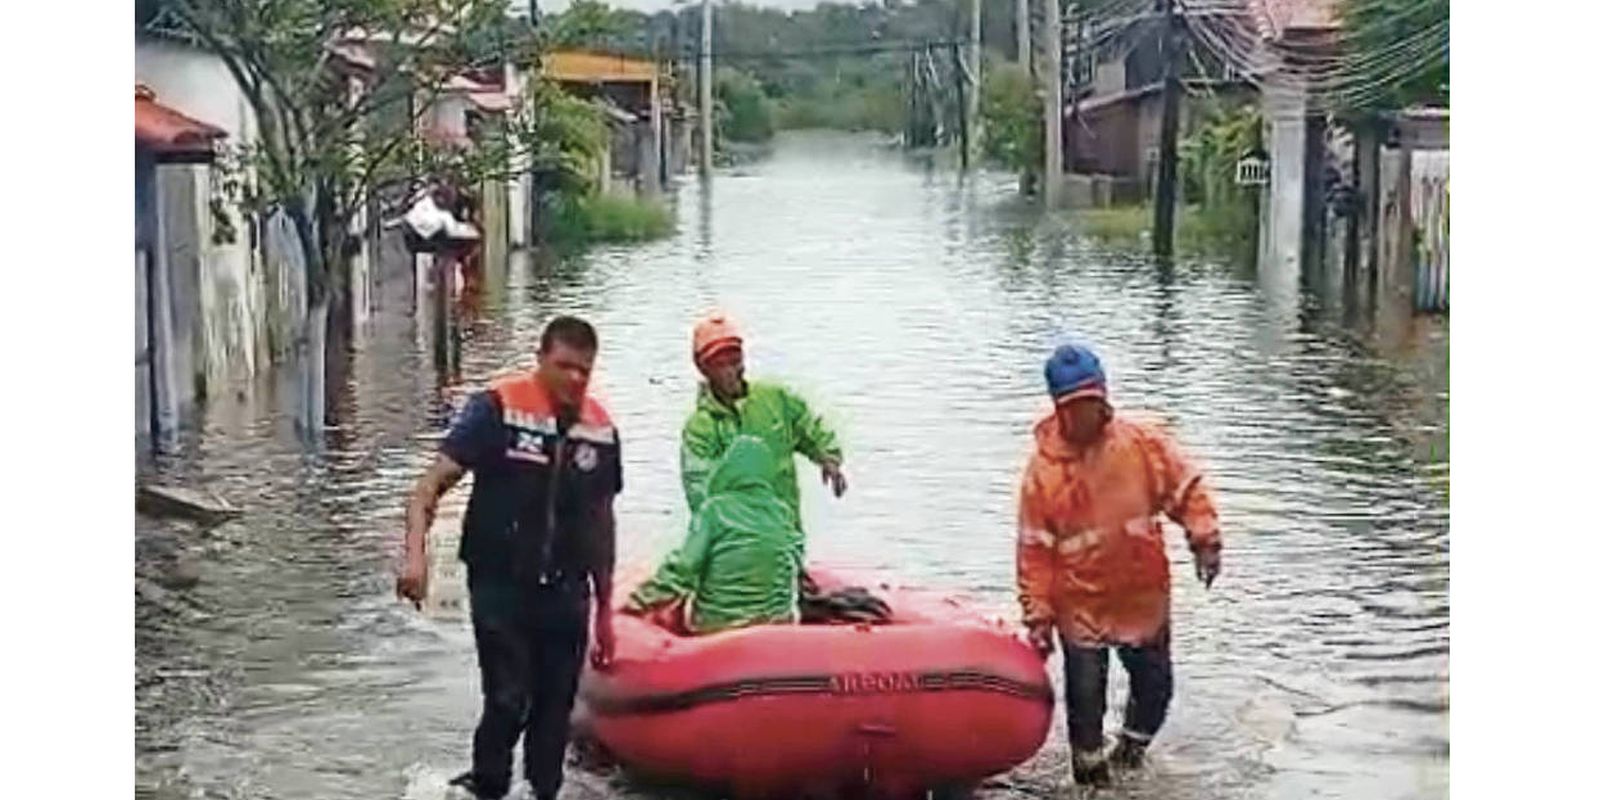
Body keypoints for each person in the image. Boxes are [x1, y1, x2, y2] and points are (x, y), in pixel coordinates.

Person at [397, 316, 622, 800]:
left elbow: (602, 524)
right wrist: (415, 557)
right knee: (508, 699)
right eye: (564, 366)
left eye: (585, 369)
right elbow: (428, 487)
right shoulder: (496, 409)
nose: (575, 379)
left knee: (554, 709)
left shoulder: (600, 431)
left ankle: (544, 792)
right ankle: (488, 786)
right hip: (501, 583)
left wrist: (606, 613)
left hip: (566, 590)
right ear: (541, 359)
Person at [1015, 343, 1222, 787]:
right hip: (1079, 603)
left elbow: (1186, 489)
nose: (1086, 415)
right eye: (1075, 406)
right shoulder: (1043, 473)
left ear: (1105, 398)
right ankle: (1091, 779)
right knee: (1085, 700)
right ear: (1058, 409)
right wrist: (1038, 616)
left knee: (1155, 689)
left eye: (1092, 403)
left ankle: (1131, 752)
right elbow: (1034, 551)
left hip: (1141, 595)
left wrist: (1205, 540)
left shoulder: (1141, 445)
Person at [681, 311, 847, 528]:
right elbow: (699, 488)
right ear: (704, 370)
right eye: (720, 364)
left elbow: (808, 426)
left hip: (785, 530)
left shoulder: (775, 399)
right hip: (734, 538)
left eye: (735, 359)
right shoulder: (700, 428)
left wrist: (828, 458)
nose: (731, 370)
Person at [624, 435, 804, 634]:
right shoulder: (783, 514)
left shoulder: (714, 511)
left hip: (717, 627)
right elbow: (794, 562)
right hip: (777, 629)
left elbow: (684, 568)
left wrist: (636, 604)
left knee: (677, 602)